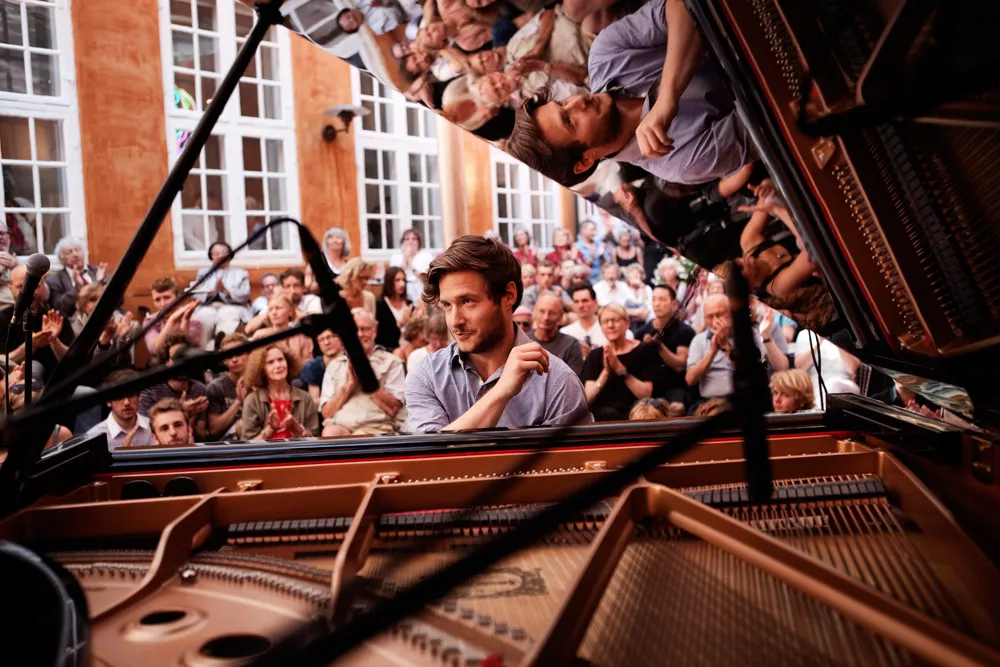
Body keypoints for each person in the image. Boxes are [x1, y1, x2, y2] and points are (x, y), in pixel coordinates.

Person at [505, 0, 756, 187]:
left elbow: (681, 5)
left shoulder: (605, 56)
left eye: (563, 103)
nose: (578, 100)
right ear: (585, 161)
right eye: (569, 120)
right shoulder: (680, 163)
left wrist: (668, 97)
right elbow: (777, 120)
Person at [405, 235, 591, 432]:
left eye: (467, 301)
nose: (455, 321)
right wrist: (501, 391)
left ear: (508, 295)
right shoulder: (427, 376)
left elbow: (569, 462)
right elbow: (431, 459)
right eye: (447, 305)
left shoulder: (558, 381)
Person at [685, 294, 785, 408]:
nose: (715, 321)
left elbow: (756, 371)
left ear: (731, 314)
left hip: (745, 398)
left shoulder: (750, 335)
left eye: (719, 314)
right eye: (710, 317)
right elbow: (690, 379)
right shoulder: (699, 340)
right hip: (710, 402)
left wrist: (725, 348)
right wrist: (712, 352)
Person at [320, 308, 407, 436]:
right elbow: (326, 413)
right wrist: (349, 385)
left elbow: (393, 408)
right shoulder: (334, 366)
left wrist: (366, 378)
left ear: (374, 331)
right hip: (342, 427)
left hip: (377, 427)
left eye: (365, 329)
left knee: (358, 438)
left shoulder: (392, 363)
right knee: (329, 433)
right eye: (355, 330)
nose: (360, 334)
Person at [581, 303, 660, 421]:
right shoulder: (595, 355)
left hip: (636, 414)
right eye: (605, 322)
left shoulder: (645, 350)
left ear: (627, 323)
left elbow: (646, 394)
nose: (610, 325)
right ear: (601, 327)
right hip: (602, 417)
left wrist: (621, 371)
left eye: (615, 320)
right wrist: (606, 372)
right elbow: (587, 399)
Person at [1, 264, 71, 380]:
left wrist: (54, 341)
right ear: (10, 288)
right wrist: (30, 345)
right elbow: (1, 363)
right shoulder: (2, 319)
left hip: (58, 386)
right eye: (20, 286)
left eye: (35, 286)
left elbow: (72, 363)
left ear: (43, 286)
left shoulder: (56, 317)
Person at [138, 334, 209, 442]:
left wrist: (187, 419)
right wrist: (181, 411)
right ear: (166, 362)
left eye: (186, 358)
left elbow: (202, 436)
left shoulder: (200, 389)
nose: (182, 364)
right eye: (176, 358)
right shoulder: (151, 391)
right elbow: (146, 436)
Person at [242, 344, 319, 440]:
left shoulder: (305, 398)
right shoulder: (252, 401)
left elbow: (315, 440)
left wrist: (297, 428)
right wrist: (270, 429)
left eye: (280, 359)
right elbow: (248, 446)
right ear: (262, 370)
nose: (278, 365)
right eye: (270, 362)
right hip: (268, 454)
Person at [639, 284, 694, 417]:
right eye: (654, 299)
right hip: (650, 387)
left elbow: (680, 365)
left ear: (673, 303)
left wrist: (659, 347)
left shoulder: (685, 331)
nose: (657, 304)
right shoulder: (641, 332)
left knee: (676, 408)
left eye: (662, 299)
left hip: (676, 386)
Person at [188, 242, 251, 348]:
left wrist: (226, 291)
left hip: (232, 306)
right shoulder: (203, 273)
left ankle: (224, 348)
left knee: (227, 314)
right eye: (216, 253)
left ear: (230, 256)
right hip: (208, 306)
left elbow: (245, 294)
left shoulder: (241, 273)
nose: (220, 256)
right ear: (211, 257)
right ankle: (202, 352)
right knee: (203, 316)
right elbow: (195, 293)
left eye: (223, 253)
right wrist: (211, 292)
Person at [85, 369, 154, 450]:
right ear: (108, 401)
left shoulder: (153, 426)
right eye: (119, 397)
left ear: (139, 397)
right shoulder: (94, 436)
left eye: (131, 395)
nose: (126, 402)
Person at [560, 283, 634, 357]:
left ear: (595, 303)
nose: (580, 305)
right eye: (576, 301)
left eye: (585, 301)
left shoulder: (612, 330)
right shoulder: (565, 333)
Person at [793, 329, 860, 410]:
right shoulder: (805, 334)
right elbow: (800, 368)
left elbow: (852, 368)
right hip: (816, 390)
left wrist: (834, 342)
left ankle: (819, 413)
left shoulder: (841, 334)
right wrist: (819, 343)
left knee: (834, 384)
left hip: (845, 388)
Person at [142, 277, 202, 365]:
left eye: (167, 298)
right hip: (161, 363)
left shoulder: (193, 320)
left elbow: (183, 350)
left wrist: (185, 320)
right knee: (153, 362)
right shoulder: (149, 321)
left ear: (177, 298)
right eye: (157, 300)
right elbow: (155, 350)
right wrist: (172, 320)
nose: (163, 304)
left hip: (186, 363)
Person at [45, 236, 108, 318]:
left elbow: (119, 300)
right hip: (77, 323)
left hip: (106, 315)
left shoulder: (97, 271)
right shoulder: (54, 280)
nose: (75, 254)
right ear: (62, 258)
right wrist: (77, 288)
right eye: (69, 252)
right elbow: (59, 308)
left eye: (77, 250)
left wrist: (100, 283)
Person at [206, 333, 250, 441]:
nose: (234, 359)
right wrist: (238, 401)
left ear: (249, 353)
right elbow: (214, 430)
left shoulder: (261, 382)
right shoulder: (215, 387)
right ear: (224, 360)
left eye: (239, 353)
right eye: (229, 355)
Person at [529, 291, 584, 376]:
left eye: (552, 313)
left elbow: (572, 380)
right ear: (534, 311)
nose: (546, 317)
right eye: (542, 311)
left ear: (561, 316)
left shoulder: (571, 344)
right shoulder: (523, 340)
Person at [250, 294, 314, 365]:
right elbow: (254, 365)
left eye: (278, 308)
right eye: (270, 309)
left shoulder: (302, 337)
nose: (274, 312)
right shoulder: (260, 336)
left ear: (290, 312)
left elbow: (308, 366)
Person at [390, 228, 435, 304]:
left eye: (414, 239)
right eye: (407, 239)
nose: (410, 241)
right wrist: (405, 259)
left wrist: (411, 263)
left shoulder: (426, 256)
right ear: (403, 242)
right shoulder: (395, 257)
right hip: (402, 290)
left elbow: (426, 280)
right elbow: (393, 279)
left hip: (421, 289)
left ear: (419, 242)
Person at [375, 266, 414, 351]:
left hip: (409, 347)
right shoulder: (380, 305)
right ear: (389, 282)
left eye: (403, 280)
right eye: (397, 280)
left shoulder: (409, 304)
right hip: (390, 349)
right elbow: (382, 337)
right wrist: (401, 323)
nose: (402, 284)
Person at [300, 329, 343, 403]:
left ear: (339, 339)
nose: (326, 343)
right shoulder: (313, 367)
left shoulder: (350, 360)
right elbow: (314, 401)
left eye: (329, 337)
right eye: (321, 340)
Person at [622, 263, 652, 335]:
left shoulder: (647, 288)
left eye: (638, 273)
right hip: (627, 321)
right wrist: (637, 313)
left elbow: (648, 306)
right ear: (627, 277)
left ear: (642, 276)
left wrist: (642, 287)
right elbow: (621, 308)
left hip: (645, 321)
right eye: (632, 273)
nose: (636, 275)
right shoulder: (623, 287)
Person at [0, 221, 18, 307]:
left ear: (9, 237)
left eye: (3, 233)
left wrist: (16, 267)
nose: (0, 237)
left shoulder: (14, 257)